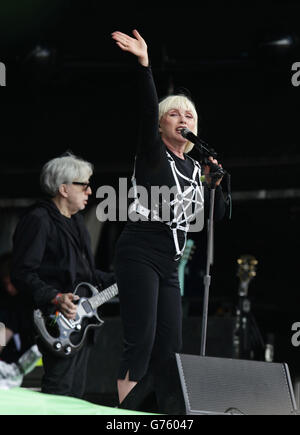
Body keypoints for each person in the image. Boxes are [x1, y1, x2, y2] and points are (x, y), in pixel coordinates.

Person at [111, 30, 226, 412]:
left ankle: (160, 414)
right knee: (139, 340)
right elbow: (146, 109)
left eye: (189, 114)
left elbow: (218, 215)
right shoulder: (152, 153)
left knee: (170, 346)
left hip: (168, 263)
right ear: (161, 125)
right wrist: (145, 65)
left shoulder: (196, 167)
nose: (183, 118)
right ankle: (126, 417)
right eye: (174, 113)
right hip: (140, 250)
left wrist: (217, 184)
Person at [11, 152, 115, 398]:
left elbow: (85, 275)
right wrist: (55, 297)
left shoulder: (77, 222)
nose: (90, 191)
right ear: (64, 189)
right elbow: (21, 272)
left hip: (80, 326)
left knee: (75, 396)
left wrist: (126, 279)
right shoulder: (39, 220)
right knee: (59, 393)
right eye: (84, 185)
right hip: (54, 322)